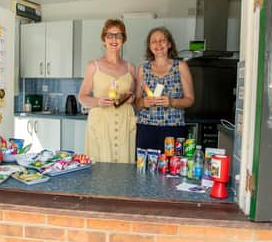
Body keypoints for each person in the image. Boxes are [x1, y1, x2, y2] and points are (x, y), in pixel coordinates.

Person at [78, 19, 137, 163]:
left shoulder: (131, 68)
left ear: (124, 39)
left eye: (118, 35)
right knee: (99, 170)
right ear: (104, 39)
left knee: (124, 169)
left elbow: (134, 96)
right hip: (101, 123)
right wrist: (98, 101)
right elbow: (82, 97)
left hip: (124, 123)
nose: (114, 39)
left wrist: (131, 98)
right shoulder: (93, 66)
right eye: (110, 35)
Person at [135, 26, 194, 150]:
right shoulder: (142, 69)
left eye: (162, 40)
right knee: (145, 168)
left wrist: (172, 102)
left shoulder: (180, 66)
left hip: (174, 129)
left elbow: (190, 100)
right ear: (149, 46)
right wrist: (143, 102)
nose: (158, 44)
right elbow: (137, 102)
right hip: (146, 129)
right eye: (153, 41)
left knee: (172, 168)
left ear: (169, 44)